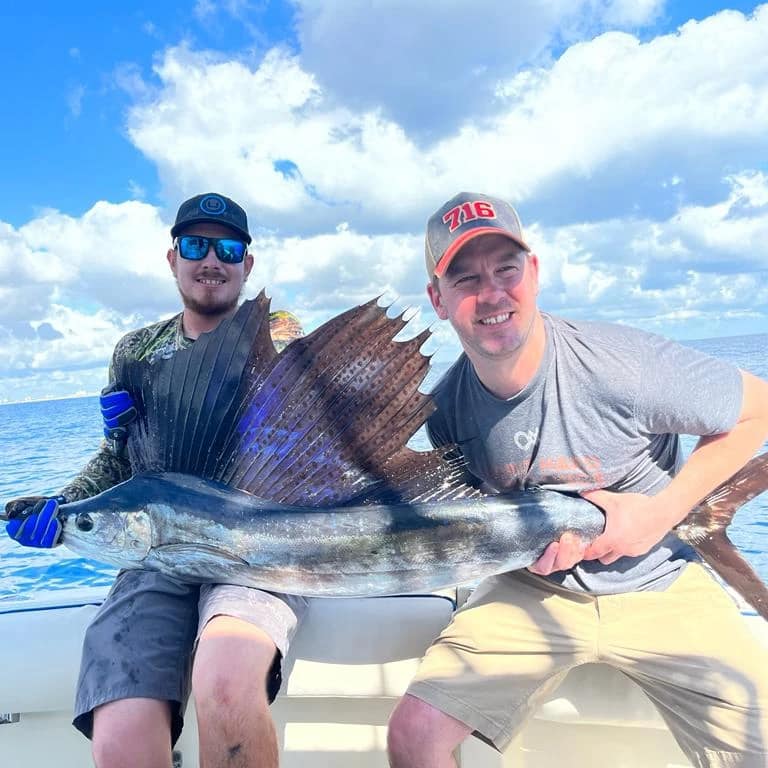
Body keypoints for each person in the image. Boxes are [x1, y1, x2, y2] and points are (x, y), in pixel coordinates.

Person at [387, 191, 768, 767]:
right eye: (464, 279)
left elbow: (757, 409)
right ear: (438, 300)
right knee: (413, 737)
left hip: (660, 582)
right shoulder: (445, 412)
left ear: (534, 272)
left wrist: (657, 515)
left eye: (506, 269)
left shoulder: (621, 365)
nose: (491, 293)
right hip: (532, 590)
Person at [5, 192, 306, 768]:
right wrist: (63, 507)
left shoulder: (281, 339)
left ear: (248, 262)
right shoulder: (135, 353)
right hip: (156, 557)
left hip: (255, 554)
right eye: (196, 245)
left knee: (224, 686)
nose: (211, 259)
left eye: (227, 247)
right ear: (173, 259)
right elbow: (116, 463)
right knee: (118, 730)